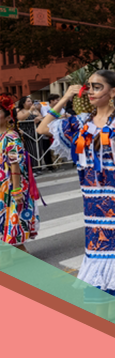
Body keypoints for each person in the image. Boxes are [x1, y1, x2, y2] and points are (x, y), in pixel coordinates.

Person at [37, 70, 115, 318]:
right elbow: (42, 128)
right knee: (98, 254)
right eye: (88, 86)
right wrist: (66, 97)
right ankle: (108, 309)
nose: (90, 91)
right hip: (95, 205)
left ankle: (106, 312)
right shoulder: (81, 123)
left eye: (97, 86)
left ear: (113, 92)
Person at [0, 94, 40, 267]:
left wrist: (16, 190)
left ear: (8, 117)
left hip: (10, 185)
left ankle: (10, 255)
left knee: (11, 218)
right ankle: (20, 250)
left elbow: (14, 163)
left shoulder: (11, 136)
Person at [15, 97, 44, 174]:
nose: (30, 102)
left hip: (36, 131)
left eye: (31, 101)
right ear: (23, 103)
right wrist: (30, 111)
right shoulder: (20, 110)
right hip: (27, 132)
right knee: (31, 150)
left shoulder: (35, 110)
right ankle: (32, 168)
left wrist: (38, 118)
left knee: (38, 149)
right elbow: (20, 118)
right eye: (28, 101)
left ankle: (38, 167)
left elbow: (41, 117)